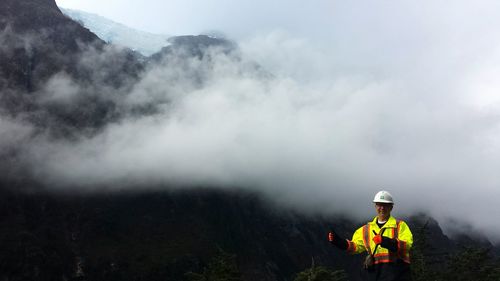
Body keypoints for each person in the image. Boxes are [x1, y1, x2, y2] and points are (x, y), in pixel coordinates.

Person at [328, 191, 413, 281]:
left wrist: (385, 241)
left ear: (391, 207)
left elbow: (407, 245)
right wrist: (338, 242)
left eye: (385, 205)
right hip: (375, 275)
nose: (382, 208)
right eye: (379, 205)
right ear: (375, 206)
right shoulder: (365, 230)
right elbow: (354, 247)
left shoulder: (400, 225)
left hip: (398, 275)